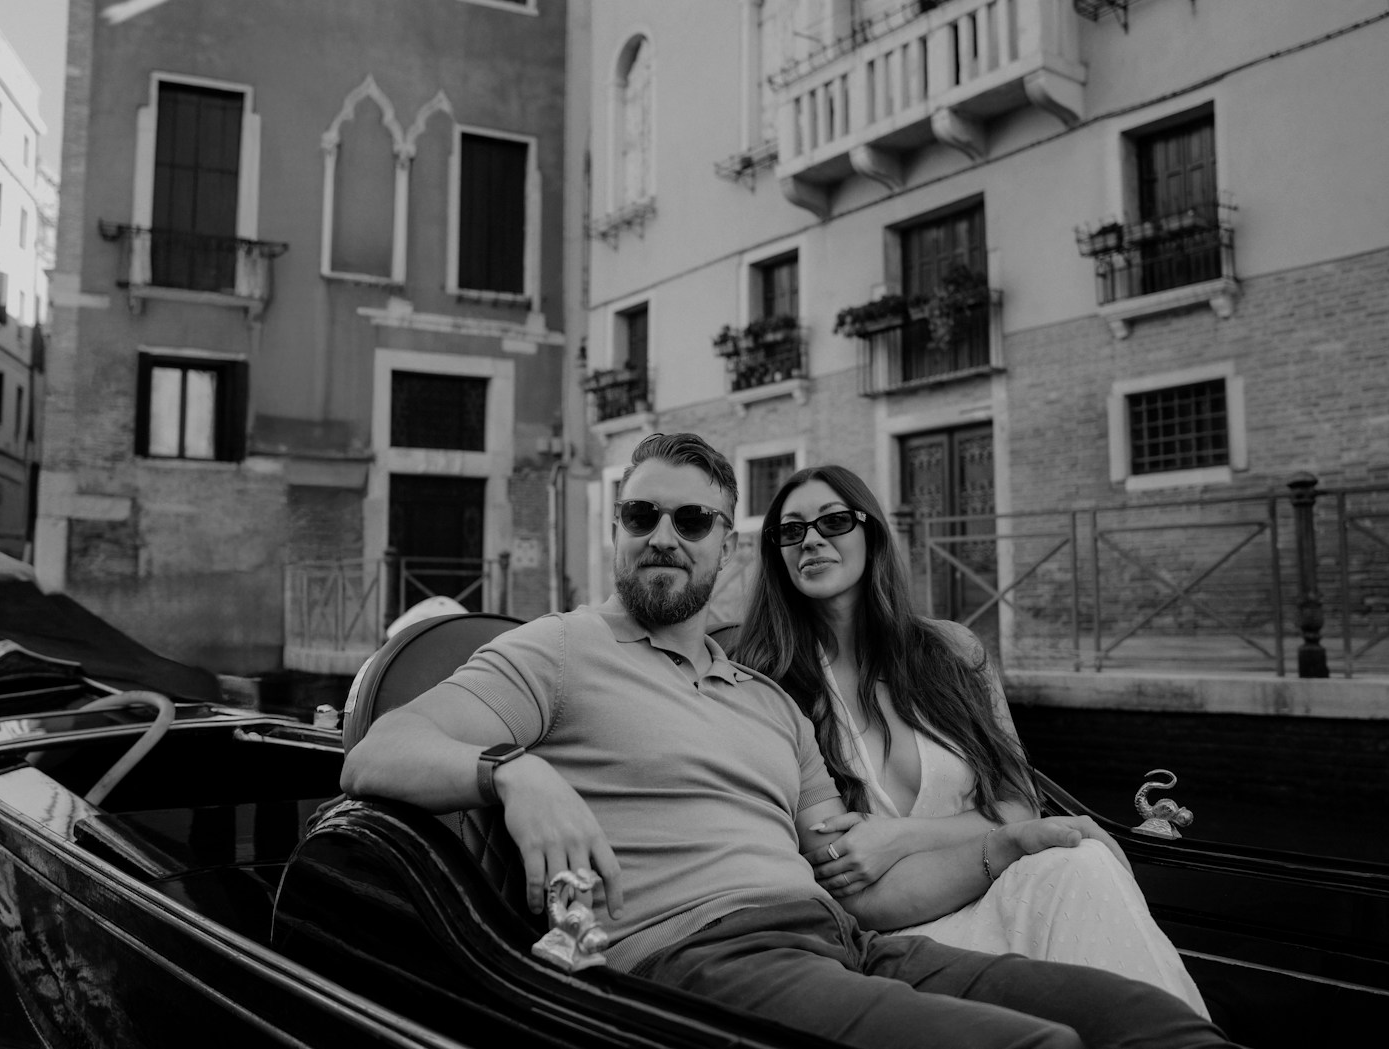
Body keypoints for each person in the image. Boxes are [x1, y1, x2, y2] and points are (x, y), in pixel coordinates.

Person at [343, 433, 1234, 1049]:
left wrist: (1012, 840)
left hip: (850, 942)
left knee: (1146, 1022)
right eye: (642, 515)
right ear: (616, 530)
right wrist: (513, 772)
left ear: (724, 548)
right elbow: (379, 750)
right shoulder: (557, 648)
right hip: (697, 956)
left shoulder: (767, 700)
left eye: (691, 522)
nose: (664, 536)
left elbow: (864, 886)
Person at [734, 464, 1209, 1016]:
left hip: (1003, 888)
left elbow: (1018, 803)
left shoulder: (952, 650)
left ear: (873, 534)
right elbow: (850, 883)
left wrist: (900, 837)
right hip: (896, 939)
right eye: (790, 531)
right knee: (1076, 865)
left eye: (834, 521)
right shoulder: (770, 686)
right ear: (776, 554)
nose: (811, 539)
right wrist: (1001, 837)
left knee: (1080, 862)